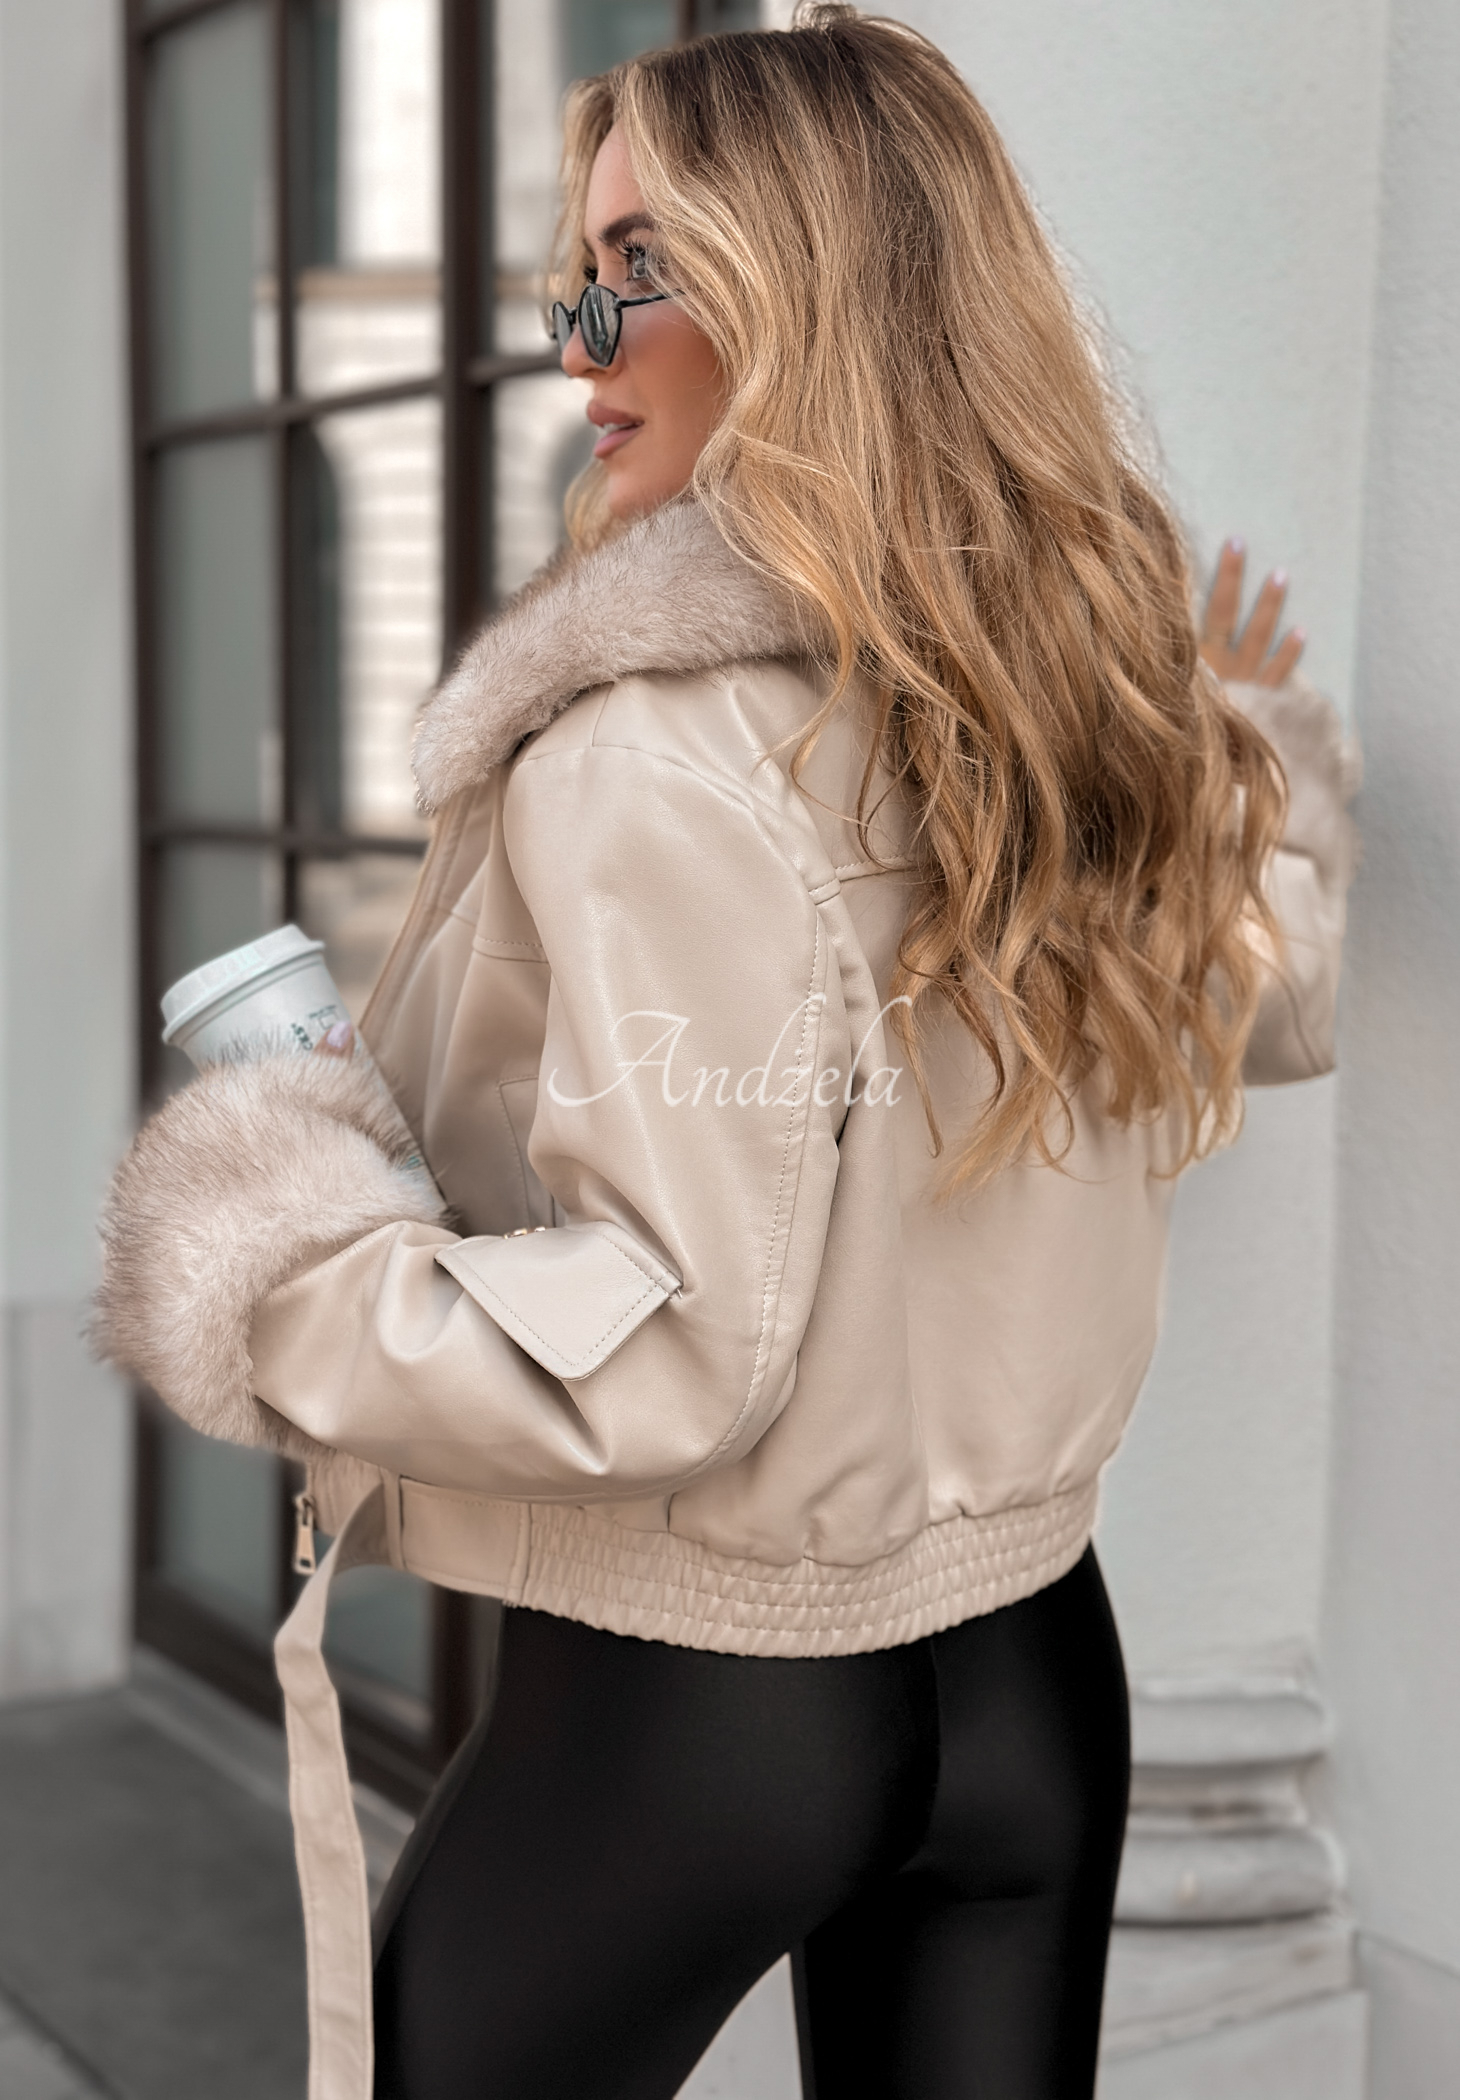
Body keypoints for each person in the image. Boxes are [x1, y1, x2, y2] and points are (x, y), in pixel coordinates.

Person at [95, 10, 1356, 2098]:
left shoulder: (655, 758)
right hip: (1033, 1675)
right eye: (569, 278)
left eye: (635, 272)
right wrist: (1236, 755)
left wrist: (279, 1263)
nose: (575, 344)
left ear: (814, 299)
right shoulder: (1063, 722)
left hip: (705, 1712)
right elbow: (1266, 992)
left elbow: (665, 1356)